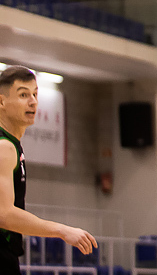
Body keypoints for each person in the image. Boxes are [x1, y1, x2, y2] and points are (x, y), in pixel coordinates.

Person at [0, 66, 95, 275]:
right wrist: (62, 230)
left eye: (35, 94)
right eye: (23, 95)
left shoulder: (11, 145)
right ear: (1, 102)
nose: (33, 101)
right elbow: (4, 214)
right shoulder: (4, 147)